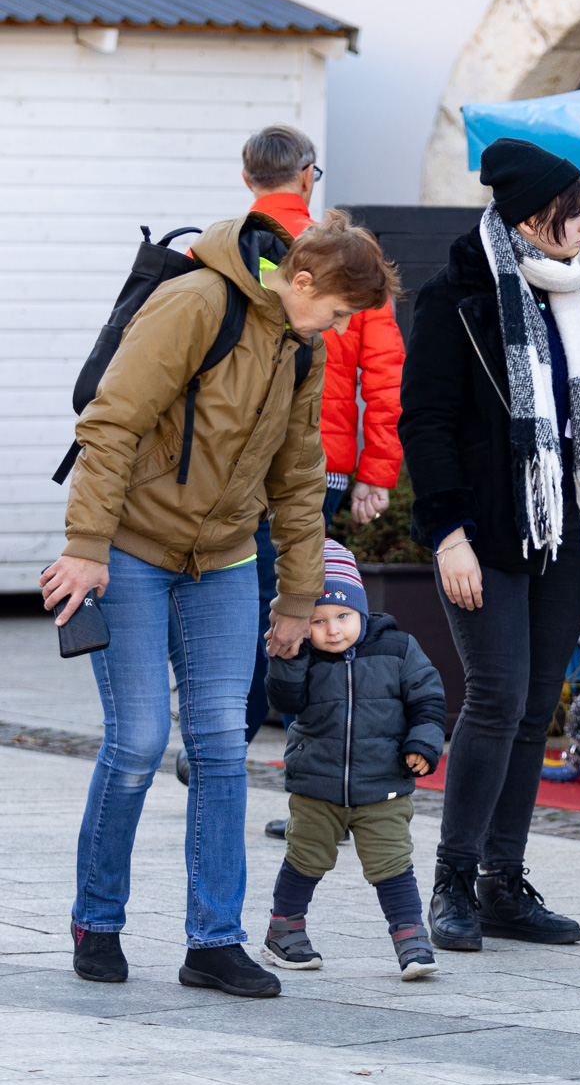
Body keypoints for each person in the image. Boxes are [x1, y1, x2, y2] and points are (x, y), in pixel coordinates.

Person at [40, 208, 398, 995]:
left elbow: (299, 477)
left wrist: (298, 595)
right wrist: (86, 544)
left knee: (219, 747)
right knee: (139, 740)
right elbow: (112, 422)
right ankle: (97, 919)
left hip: (227, 559)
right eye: (339, 311)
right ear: (301, 280)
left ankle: (213, 941)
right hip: (131, 548)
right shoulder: (198, 303)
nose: (340, 328)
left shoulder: (302, 347)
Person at [398, 137, 580, 953]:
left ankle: (503, 882)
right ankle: (452, 881)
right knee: (495, 696)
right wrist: (448, 533)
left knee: (533, 706)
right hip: (486, 528)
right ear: (528, 219)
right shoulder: (458, 298)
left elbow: (577, 413)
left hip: (571, 524)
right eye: (571, 214)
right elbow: (426, 424)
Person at [223, 124, 406, 843]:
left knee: (231, 607)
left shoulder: (229, 249)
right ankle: (301, 776)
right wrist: (376, 472)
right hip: (318, 469)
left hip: (230, 467)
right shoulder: (349, 258)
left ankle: (219, 749)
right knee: (300, 612)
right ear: (307, 176)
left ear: (248, 179)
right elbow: (384, 373)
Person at [261, 539, 445, 980]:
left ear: (362, 609)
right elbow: (284, 700)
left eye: (343, 616)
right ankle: (284, 930)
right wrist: (287, 657)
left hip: (383, 782)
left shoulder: (398, 648)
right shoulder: (303, 655)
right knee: (304, 858)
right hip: (316, 783)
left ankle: (411, 938)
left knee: (392, 863)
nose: (333, 630)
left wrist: (423, 744)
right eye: (318, 620)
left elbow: (429, 701)